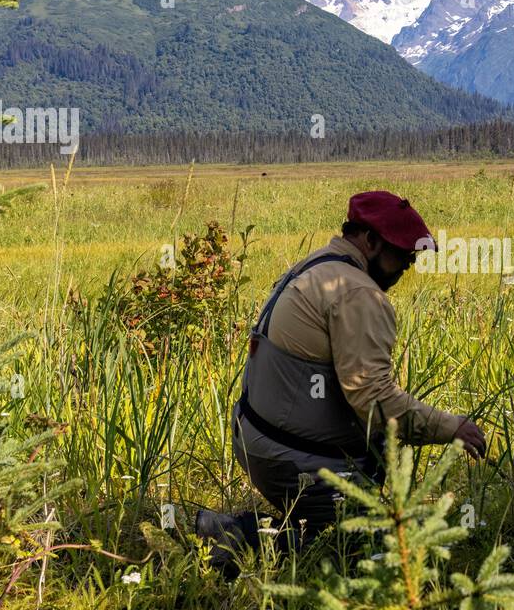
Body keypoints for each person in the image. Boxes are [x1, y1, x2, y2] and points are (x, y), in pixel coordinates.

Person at [195, 190, 486, 574]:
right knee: (358, 551)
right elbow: (375, 401)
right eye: (402, 254)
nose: (407, 266)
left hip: (258, 443)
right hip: (293, 459)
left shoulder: (314, 265)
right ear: (370, 240)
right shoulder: (357, 293)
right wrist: (454, 428)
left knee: (364, 518)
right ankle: (236, 534)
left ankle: (284, 527)